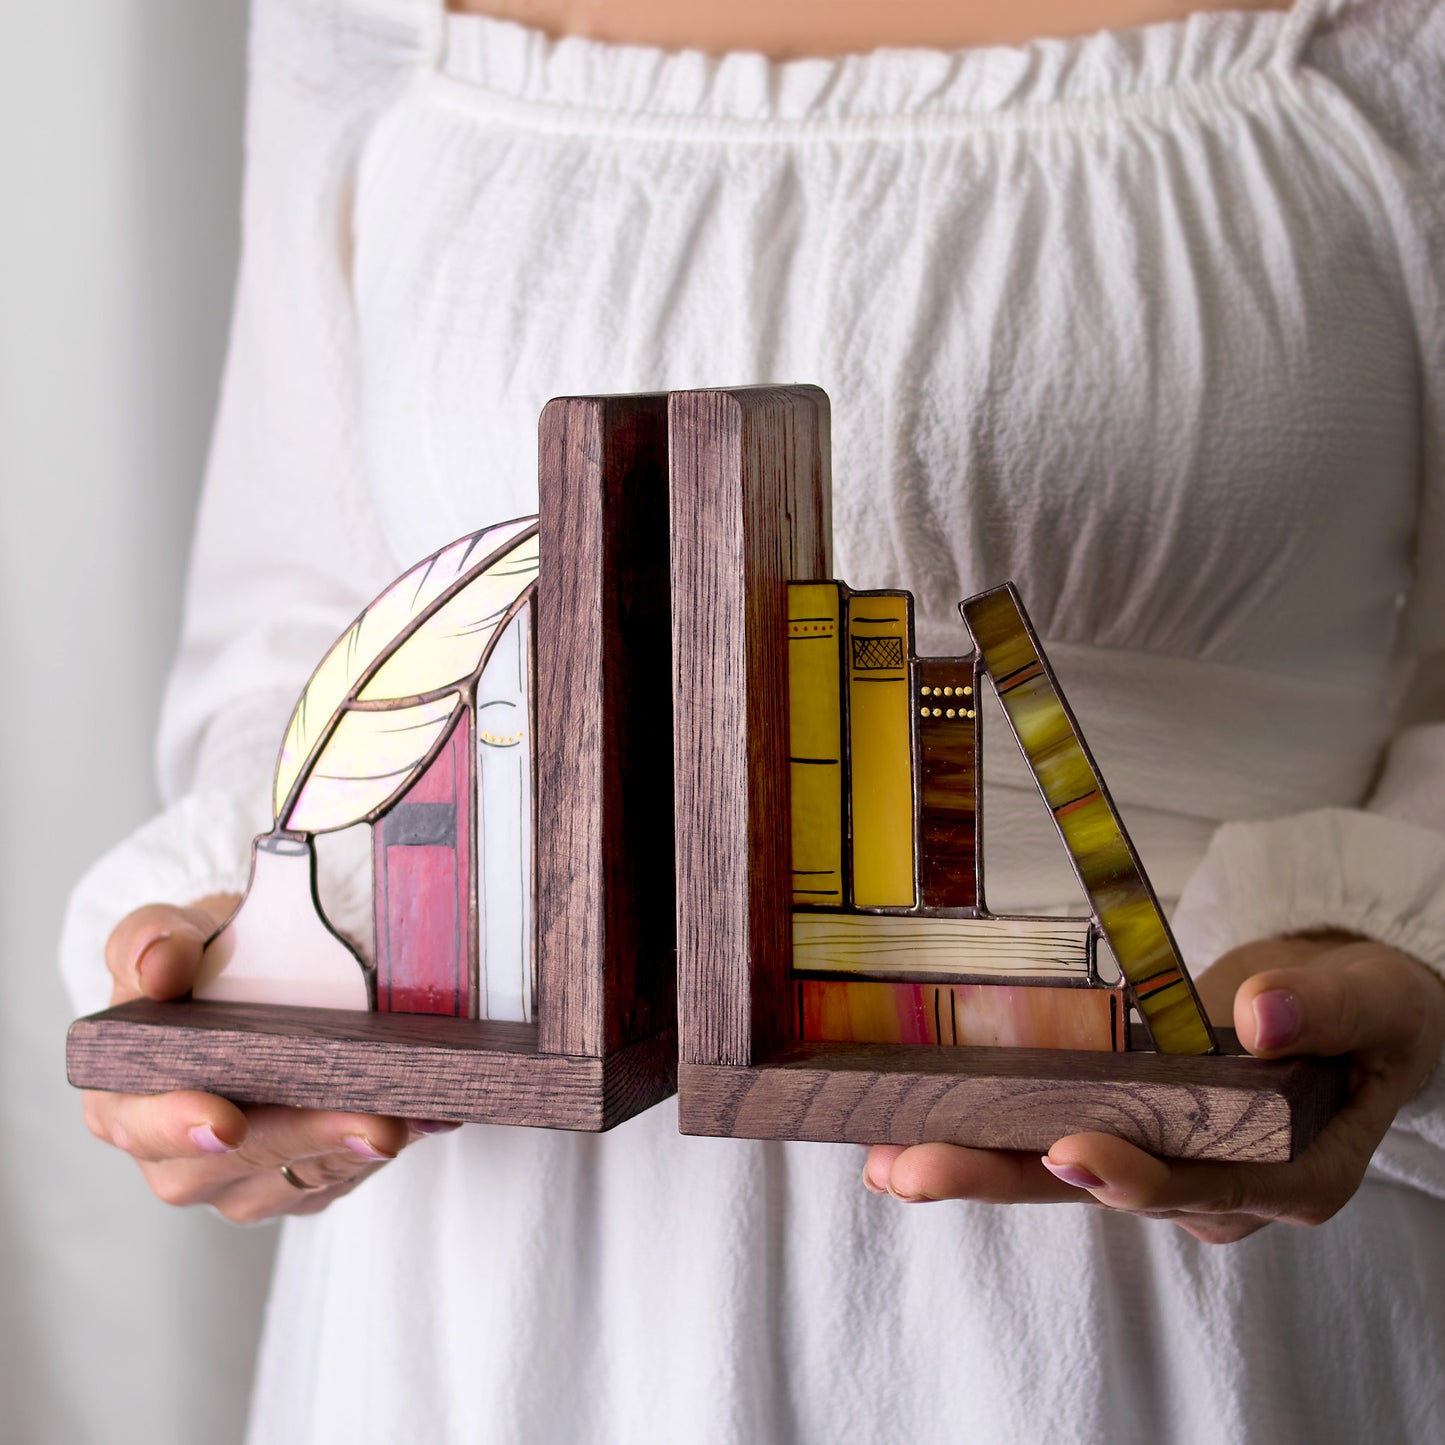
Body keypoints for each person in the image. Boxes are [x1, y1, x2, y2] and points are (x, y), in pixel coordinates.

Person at [64, 0, 1445, 1439]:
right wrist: (231, 975)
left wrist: (1405, 954)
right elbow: (284, 638)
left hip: (1184, 1293)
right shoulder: (357, 27)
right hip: (497, 1297)